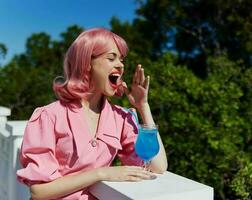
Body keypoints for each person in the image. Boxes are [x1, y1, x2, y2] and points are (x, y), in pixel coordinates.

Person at [16, 28, 167, 200]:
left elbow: (157, 166)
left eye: (121, 59)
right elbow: (39, 191)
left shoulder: (121, 118)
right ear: (87, 63)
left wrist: (143, 106)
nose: (120, 65)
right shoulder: (49, 116)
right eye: (111, 58)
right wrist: (101, 173)